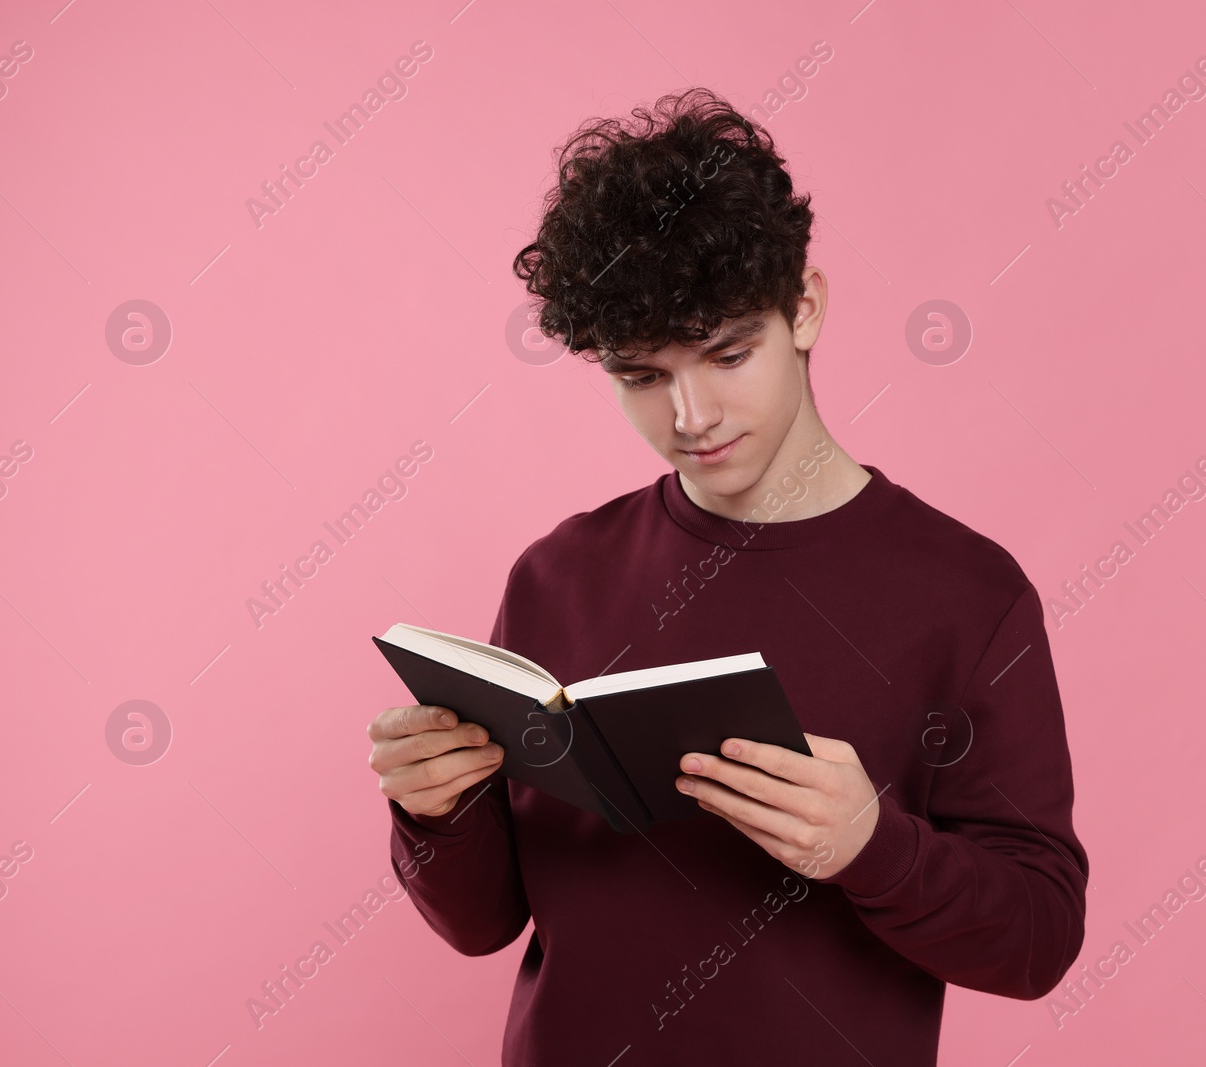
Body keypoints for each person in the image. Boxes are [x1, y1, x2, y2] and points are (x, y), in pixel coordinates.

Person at [367, 86, 1089, 1066]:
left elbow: (1038, 937)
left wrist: (870, 847)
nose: (692, 414)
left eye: (727, 354)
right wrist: (434, 810)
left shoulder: (966, 595)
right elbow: (483, 920)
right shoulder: (558, 574)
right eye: (642, 376)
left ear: (804, 309)